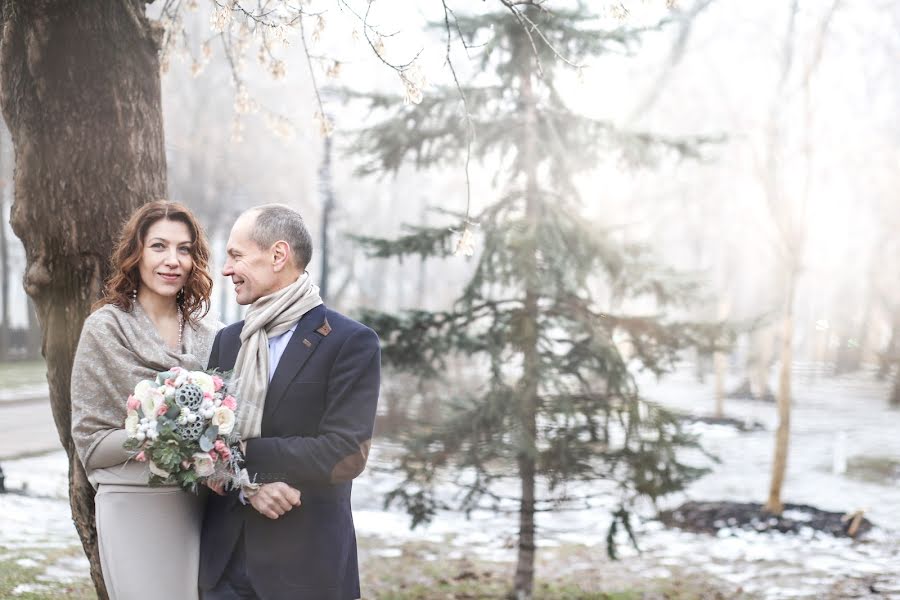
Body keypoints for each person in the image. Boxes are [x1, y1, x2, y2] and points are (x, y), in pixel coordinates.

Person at [199, 204, 380, 600]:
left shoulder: (349, 342)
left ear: (278, 255)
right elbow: (207, 448)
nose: (226, 269)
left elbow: (346, 453)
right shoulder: (228, 341)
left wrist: (248, 456)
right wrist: (249, 487)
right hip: (225, 565)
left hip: (306, 570)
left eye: (236, 255)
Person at [71, 200, 220, 600]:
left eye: (184, 249)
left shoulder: (213, 336)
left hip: (199, 507)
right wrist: (163, 429)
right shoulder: (105, 329)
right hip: (131, 504)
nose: (173, 260)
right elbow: (90, 443)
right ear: (136, 254)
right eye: (159, 246)